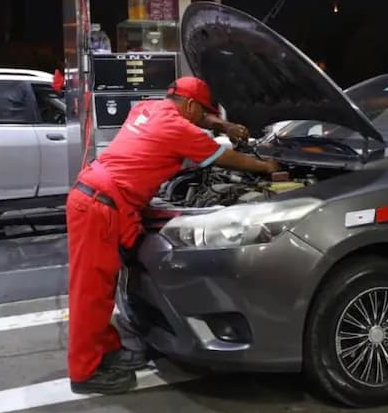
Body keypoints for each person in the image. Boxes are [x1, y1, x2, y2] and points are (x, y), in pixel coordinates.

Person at [67, 77, 279, 395]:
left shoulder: (146, 107)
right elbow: (223, 157)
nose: (203, 123)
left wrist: (221, 124)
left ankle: (105, 350)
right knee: (91, 292)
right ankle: (84, 373)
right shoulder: (180, 130)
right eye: (202, 114)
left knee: (104, 288)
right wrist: (264, 167)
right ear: (191, 106)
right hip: (102, 207)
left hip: (101, 197)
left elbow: (183, 127)